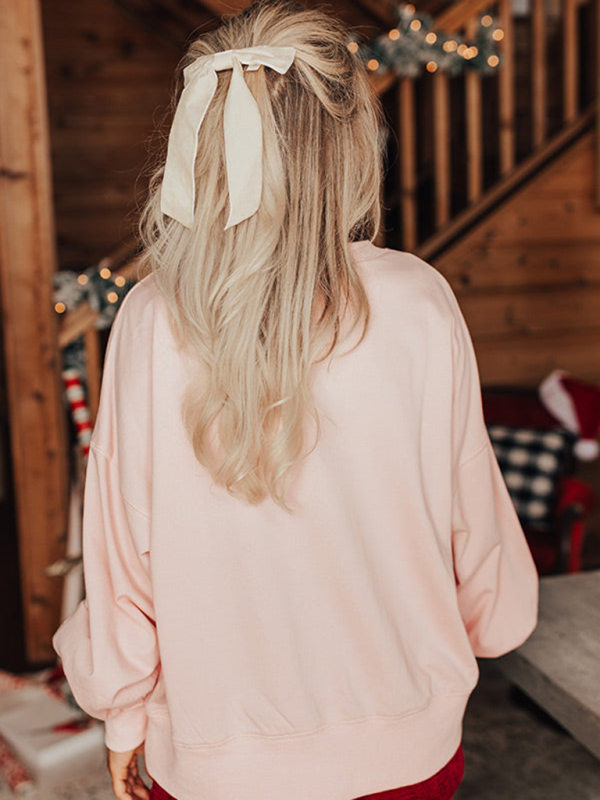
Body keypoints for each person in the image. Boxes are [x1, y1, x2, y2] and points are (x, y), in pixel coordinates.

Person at [52, 2, 539, 799]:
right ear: (353, 142)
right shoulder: (419, 301)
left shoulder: (150, 318)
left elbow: (121, 556)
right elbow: (469, 512)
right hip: (405, 750)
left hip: (214, 763)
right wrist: (497, 618)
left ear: (205, 140)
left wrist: (123, 714)